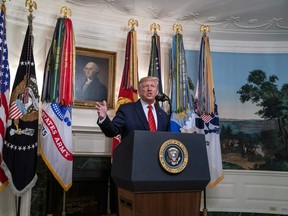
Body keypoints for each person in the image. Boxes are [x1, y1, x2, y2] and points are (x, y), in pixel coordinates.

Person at [96, 76, 170, 139]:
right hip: (134, 154)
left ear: (157, 92)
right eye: (145, 86)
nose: (149, 89)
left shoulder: (163, 115)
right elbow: (112, 132)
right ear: (139, 92)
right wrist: (103, 118)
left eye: (152, 86)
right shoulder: (126, 110)